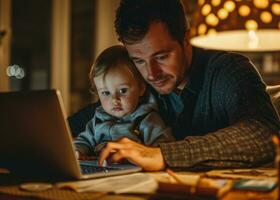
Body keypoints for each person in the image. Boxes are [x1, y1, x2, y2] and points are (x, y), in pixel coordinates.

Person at [68, 0, 280, 171]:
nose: (151, 74)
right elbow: (78, 123)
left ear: (185, 39)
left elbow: (263, 134)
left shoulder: (229, 70)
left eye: (161, 57)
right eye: (139, 61)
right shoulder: (138, 83)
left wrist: (161, 154)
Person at [74, 45, 174, 158]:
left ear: (141, 88)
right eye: (106, 93)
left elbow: (164, 148)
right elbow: (83, 141)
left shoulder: (147, 120)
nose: (114, 99)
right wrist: (77, 152)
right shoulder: (96, 120)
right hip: (101, 169)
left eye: (123, 90)